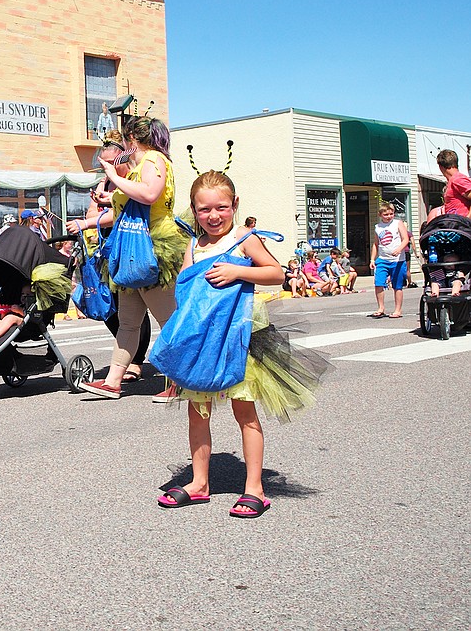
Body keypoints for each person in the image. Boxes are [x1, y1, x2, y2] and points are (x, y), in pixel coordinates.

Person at [156, 170, 329, 518]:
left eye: (221, 207)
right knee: (197, 412)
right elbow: (185, 296)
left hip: (239, 339)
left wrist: (239, 272)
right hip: (202, 343)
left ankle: (254, 488)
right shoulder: (192, 246)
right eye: (204, 210)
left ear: (234, 205)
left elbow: (276, 273)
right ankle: (199, 483)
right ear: (193, 209)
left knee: (245, 412)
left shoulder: (244, 238)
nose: (213, 216)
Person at [70, 117, 186, 401]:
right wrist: (104, 205)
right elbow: (125, 212)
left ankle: (179, 380)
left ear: (131, 139)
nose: (123, 147)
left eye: (124, 142)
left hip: (152, 248)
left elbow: (149, 194)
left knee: (167, 319)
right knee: (128, 322)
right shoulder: (139, 167)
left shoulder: (154, 161)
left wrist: (115, 177)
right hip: (131, 248)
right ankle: (113, 381)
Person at [70, 134, 152, 381]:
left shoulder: (132, 179)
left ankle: (136, 361)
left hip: (131, 245)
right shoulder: (105, 182)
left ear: (123, 157)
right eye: (102, 162)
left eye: (110, 161)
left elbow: (119, 213)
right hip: (106, 250)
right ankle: (126, 358)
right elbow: (94, 212)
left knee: (135, 306)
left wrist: (86, 223)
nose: (106, 167)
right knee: (110, 306)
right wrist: (92, 213)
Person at [370, 202, 409, 318]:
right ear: (380, 215)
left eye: (391, 214)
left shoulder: (398, 223)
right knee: (379, 283)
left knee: (397, 286)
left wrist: (399, 249)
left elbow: (405, 239)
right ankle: (381, 308)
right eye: (386, 214)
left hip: (398, 260)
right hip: (382, 259)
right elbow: (376, 244)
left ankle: (397, 310)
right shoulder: (378, 227)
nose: (389, 216)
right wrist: (372, 259)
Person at [437, 149, 471, 216]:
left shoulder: (457, 179)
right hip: (455, 223)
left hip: (462, 225)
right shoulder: (452, 180)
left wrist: (468, 218)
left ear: (440, 167)